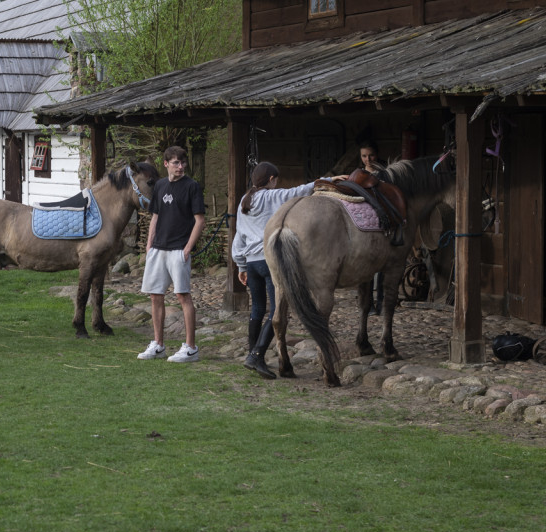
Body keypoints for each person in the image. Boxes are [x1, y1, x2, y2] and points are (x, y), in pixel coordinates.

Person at [233, 161, 338, 379]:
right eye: (276, 180)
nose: (277, 183)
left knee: (257, 310)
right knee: (277, 311)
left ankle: (253, 355)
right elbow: (301, 190)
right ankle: (257, 355)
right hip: (270, 260)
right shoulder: (271, 196)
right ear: (271, 179)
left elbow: (239, 235)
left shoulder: (245, 200)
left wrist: (241, 265)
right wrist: (328, 181)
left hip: (251, 263)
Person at [137, 145, 207, 363]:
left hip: (178, 250)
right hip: (158, 249)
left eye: (183, 162)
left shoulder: (192, 186)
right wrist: (149, 245)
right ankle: (158, 345)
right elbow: (155, 216)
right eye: (176, 162)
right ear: (166, 164)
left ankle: (190, 348)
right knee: (155, 296)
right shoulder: (159, 185)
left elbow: (200, 221)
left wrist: (187, 248)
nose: (181, 166)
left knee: (182, 296)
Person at [358, 141, 386, 314]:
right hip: (364, 217)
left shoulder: (384, 174)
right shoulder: (358, 174)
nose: (368, 159)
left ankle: (382, 302)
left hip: (381, 216)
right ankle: (367, 303)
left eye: (371, 155)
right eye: (364, 156)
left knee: (382, 263)